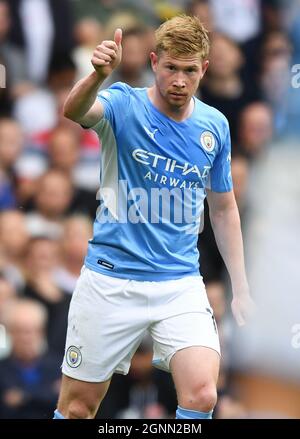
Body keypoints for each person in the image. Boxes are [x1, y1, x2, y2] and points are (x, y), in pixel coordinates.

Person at [54, 15, 253, 420]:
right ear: (153, 62)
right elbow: (74, 110)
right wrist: (96, 76)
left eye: (190, 70)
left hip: (179, 282)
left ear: (205, 69)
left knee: (201, 394)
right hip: (111, 278)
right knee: (77, 407)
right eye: (171, 68)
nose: (179, 80)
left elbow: (224, 207)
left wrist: (241, 287)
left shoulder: (215, 125)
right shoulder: (123, 103)